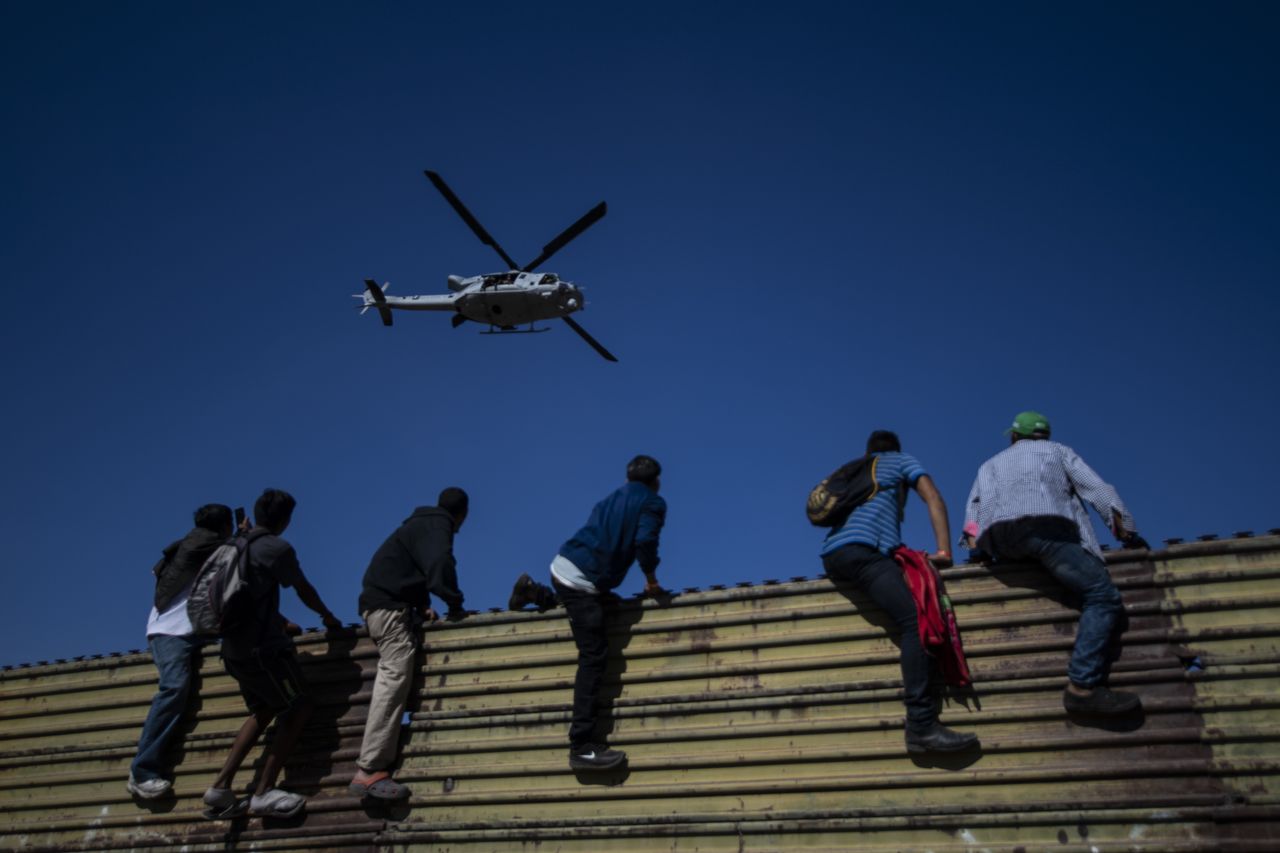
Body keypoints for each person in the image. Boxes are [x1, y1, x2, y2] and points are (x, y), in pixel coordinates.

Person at [963, 411, 1150, 716]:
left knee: (1032, 552)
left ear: (1013, 436)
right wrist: (1126, 532)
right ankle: (1082, 687)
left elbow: (973, 511)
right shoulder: (1058, 451)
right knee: (1103, 597)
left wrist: (978, 551)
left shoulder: (989, 464)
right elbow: (1098, 490)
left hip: (1001, 540)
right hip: (1044, 532)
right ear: (1044, 436)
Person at [820, 430, 979, 754]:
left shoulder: (860, 470)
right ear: (894, 450)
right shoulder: (900, 461)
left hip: (835, 554)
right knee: (915, 621)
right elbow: (932, 497)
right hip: (862, 552)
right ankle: (921, 726)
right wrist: (944, 551)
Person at [508, 455, 667, 770]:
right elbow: (645, 541)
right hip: (582, 581)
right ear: (656, 481)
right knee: (593, 656)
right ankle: (581, 747)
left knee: (591, 607)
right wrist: (651, 579)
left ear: (627, 478)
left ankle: (533, 591)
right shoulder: (653, 502)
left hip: (564, 565)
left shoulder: (612, 496)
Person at [202, 488, 343, 819]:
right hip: (263, 652)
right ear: (285, 520)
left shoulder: (233, 546)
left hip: (233, 650)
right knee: (299, 706)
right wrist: (327, 616)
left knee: (264, 708)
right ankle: (263, 793)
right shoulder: (275, 548)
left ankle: (220, 788)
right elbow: (303, 588)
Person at [349, 487, 469, 801]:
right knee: (394, 677)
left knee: (396, 676)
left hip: (384, 605)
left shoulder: (418, 524)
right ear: (462, 515)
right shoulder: (438, 526)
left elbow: (407, 568)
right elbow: (439, 564)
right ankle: (369, 770)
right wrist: (454, 603)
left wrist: (420, 605)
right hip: (388, 611)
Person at [127, 503, 234, 800]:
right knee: (173, 688)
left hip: (195, 630)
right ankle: (142, 772)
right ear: (224, 526)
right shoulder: (202, 543)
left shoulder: (202, 545)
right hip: (170, 631)